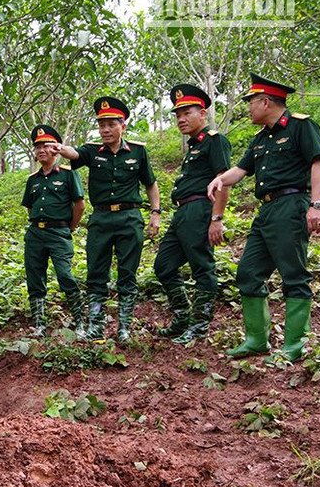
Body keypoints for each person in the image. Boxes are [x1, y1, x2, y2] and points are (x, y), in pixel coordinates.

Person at [207, 73, 320, 363]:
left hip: (291, 205)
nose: (248, 108)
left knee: (293, 275)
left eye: (250, 102)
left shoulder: (301, 126)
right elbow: (240, 171)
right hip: (267, 211)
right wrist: (219, 180)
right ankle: (256, 340)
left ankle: (296, 346)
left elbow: (319, 163)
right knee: (248, 273)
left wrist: (317, 205)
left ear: (265, 101)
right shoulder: (260, 139)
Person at [54, 97, 160, 344]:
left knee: (127, 273)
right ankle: (96, 326)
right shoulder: (92, 151)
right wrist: (61, 148)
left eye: (110, 124)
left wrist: (155, 213)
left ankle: (124, 327)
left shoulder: (138, 151)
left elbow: (150, 184)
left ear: (122, 126)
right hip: (101, 218)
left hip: (129, 218)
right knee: (96, 272)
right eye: (101, 125)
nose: (105, 130)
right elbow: (74, 153)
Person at [154, 84, 232, 344]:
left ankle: (199, 326)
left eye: (187, 113)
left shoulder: (214, 140)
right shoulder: (194, 146)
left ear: (203, 113)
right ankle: (182, 318)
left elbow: (223, 180)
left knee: (202, 267)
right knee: (163, 265)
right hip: (182, 213)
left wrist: (216, 219)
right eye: (177, 115)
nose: (181, 119)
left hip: (200, 209)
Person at [21, 125, 86, 337]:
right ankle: (39, 325)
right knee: (35, 278)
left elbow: (80, 205)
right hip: (35, 234)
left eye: (46, 146)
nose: (41, 150)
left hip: (59, 233)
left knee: (65, 276)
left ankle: (81, 323)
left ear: (55, 149)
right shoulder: (33, 180)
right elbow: (30, 206)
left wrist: (70, 227)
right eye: (37, 146)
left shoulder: (68, 174)